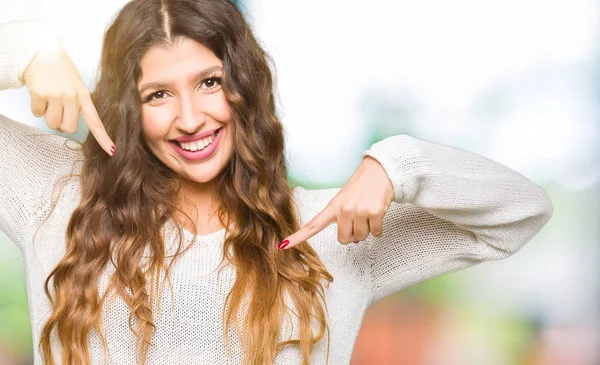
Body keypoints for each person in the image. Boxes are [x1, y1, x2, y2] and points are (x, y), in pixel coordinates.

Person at [0, 0, 553, 364]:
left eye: (210, 82)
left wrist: (398, 164)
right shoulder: (57, 196)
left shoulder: (323, 233)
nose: (190, 118)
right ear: (128, 108)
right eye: (158, 95)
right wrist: (28, 48)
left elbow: (521, 212)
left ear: (244, 86)